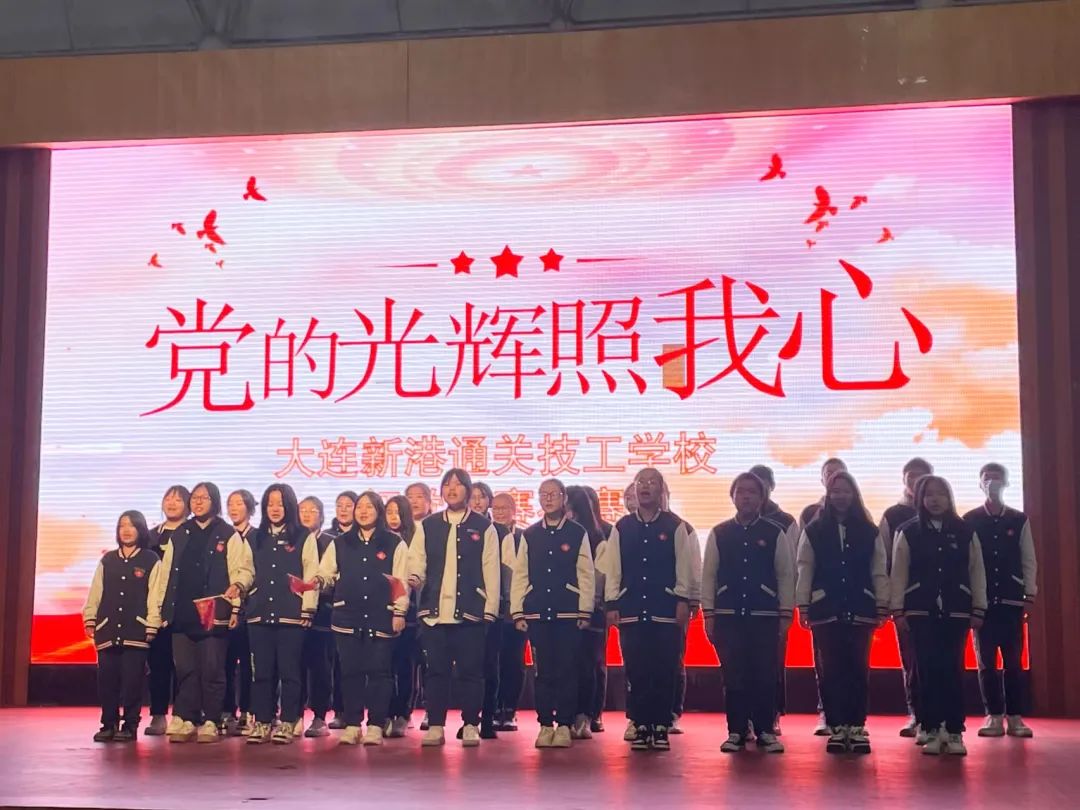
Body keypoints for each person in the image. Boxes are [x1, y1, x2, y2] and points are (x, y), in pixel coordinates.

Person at [602, 468, 700, 752]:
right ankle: (641, 724)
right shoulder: (622, 527)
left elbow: (684, 566)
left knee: (665, 669)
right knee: (636, 669)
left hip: (666, 609)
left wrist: (683, 600)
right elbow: (613, 568)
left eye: (652, 482)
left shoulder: (675, 525)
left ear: (662, 491)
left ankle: (661, 725)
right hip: (632, 609)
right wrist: (612, 603)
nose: (645, 487)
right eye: (641, 482)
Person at [890, 475, 987, 756]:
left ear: (949, 498)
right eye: (928, 494)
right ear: (920, 499)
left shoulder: (965, 531)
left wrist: (978, 607)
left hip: (957, 611)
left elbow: (976, 571)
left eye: (940, 494)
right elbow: (899, 573)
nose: (934, 500)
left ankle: (954, 731)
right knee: (926, 671)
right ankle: (931, 728)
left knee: (953, 670)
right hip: (920, 611)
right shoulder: (908, 532)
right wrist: (898, 610)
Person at [152, 482, 254, 744]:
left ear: (214, 502)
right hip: (181, 612)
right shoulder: (180, 533)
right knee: (185, 669)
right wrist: (161, 608)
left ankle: (211, 719)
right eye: (195, 498)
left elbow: (242, 570)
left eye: (204, 498)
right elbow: (166, 574)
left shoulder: (227, 533)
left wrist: (235, 603)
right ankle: (186, 717)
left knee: (212, 669)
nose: (197, 502)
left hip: (213, 611)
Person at [796, 471, 889, 754]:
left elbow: (878, 570)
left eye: (846, 491)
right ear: (828, 495)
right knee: (831, 670)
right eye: (835, 491)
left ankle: (857, 727)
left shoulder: (869, 531)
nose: (840, 496)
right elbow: (805, 568)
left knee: (858, 669)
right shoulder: (814, 530)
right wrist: (803, 605)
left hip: (861, 608)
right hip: (825, 610)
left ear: (855, 495)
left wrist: (882, 604)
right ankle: (837, 727)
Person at [407, 468, 500, 747]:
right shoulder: (429, 525)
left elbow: (491, 569)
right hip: (434, 613)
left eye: (458, 485)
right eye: (447, 484)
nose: (452, 489)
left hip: (470, 613)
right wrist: (414, 577)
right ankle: (436, 725)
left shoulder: (483, 527)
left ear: (468, 491)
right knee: (436, 672)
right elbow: (416, 559)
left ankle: (470, 724)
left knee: (471, 672)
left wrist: (490, 608)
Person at [702, 472, 793, 754]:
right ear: (732, 497)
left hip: (765, 616)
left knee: (764, 674)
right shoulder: (720, 533)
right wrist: (709, 614)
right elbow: (709, 575)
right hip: (728, 615)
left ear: (762, 497)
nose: (746, 497)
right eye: (741, 491)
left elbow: (785, 575)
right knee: (734, 675)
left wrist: (786, 613)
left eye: (752, 492)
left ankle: (765, 730)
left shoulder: (774, 533)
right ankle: (736, 731)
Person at [316, 491, 409, 746]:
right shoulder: (340, 542)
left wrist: (399, 611)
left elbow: (400, 581)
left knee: (380, 672)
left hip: (382, 615)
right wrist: (318, 581)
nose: (363, 511)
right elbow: (326, 572)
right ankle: (353, 724)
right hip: (347, 616)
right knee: (350, 672)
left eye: (369, 507)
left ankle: (376, 725)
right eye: (360, 507)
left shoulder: (394, 543)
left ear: (379, 511)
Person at [511, 479, 594, 749]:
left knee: (567, 670)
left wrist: (585, 609)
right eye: (543, 494)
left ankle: (565, 724)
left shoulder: (577, 532)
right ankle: (546, 724)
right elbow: (520, 573)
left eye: (553, 494)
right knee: (542, 671)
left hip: (569, 613)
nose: (548, 499)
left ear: (563, 498)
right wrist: (518, 611)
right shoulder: (530, 534)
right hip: (537, 613)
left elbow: (586, 573)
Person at [963, 463, 1037, 739]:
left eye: (997, 479)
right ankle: (993, 715)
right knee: (986, 663)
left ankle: (1015, 716)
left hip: (1011, 601)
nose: (992, 483)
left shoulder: (1018, 520)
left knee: (1013, 661)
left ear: (1006, 483)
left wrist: (1030, 593)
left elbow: (1028, 558)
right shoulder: (969, 520)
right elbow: (966, 561)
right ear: (980, 484)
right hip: (982, 603)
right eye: (987, 479)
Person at [245, 484, 319, 745]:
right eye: (270, 504)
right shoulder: (254, 537)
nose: (275, 509)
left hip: (292, 615)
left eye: (280, 504)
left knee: (290, 672)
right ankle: (263, 721)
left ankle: (288, 721)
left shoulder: (302, 536)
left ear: (289, 506)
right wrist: (240, 586)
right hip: (259, 614)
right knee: (261, 673)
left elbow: (311, 574)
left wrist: (308, 607)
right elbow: (246, 569)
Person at [84, 510, 163, 742]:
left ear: (141, 529)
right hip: (107, 629)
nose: (126, 530)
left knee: (132, 682)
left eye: (131, 526)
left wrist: (152, 624)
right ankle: (108, 724)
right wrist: (90, 618)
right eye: (122, 526)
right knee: (107, 681)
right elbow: (95, 592)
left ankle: (130, 725)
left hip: (136, 631)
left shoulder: (150, 560)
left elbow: (155, 595)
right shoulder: (108, 560)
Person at [878, 457, 933, 738]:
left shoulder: (943, 514)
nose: (915, 481)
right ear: (904, 480)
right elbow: (883, 559)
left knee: (936, 660)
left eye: (921, 477)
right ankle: (915, 714)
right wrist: (889, 600)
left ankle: (937, 717)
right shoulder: (892, 515)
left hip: (939, 601)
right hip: (906, 601)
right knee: (910, 660)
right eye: (911, 476)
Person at [749, 464, 800, 736]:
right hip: (743, 606)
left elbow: (791, 567)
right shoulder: (736, 524)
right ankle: (746, 717)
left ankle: (773, 714)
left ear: (770, 487)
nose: (753, 492)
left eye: (761, 485)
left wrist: (787, 606)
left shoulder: (786, 522)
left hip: (773, 606)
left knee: (773, 663)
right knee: (744, 665)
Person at [799, 457, 848, 735]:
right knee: (823, 662)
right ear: (822, 480)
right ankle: (827, 714)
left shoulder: (861, 516)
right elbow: (803, 559)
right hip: (822, 601)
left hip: (853, 602)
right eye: (829, 474)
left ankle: (852, 721)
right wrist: (804, 600)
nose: (833, 476)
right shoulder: (810, 514)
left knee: (852, 663)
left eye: (839, 473)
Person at [301, 494, 350, 736]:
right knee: (296, 667)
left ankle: (322, 715)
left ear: (321, 515)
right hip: (294, 614)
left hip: (325, 613)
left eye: (312, 510)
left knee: (324, 666)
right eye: (302, 510)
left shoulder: (332, 542)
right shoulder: (293, 541)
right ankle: (293, 715)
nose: (306, 515)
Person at [145, 485, 189, 736]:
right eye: (168, 498)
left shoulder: (191, 534)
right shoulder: (150, 537)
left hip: (182, 609)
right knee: (158, 664)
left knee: (185, 665)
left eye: (178, 499)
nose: (172, 503)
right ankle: (158, 714)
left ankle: (183, 714)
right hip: (156, 609)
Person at [566, 485, 607, 740]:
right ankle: (566, 716)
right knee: (565, 666)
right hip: (562, 610)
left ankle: (585, 715)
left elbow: (600, 576)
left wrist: (589, 604)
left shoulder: (597, 538)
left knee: (587, 665)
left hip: (590, 611)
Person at [385, 494, 421, 737]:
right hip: (381, 610)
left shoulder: (416, 539)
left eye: (397, 512)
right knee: (384, 666)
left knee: (406, 665)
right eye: (388, 512)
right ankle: (386, 713)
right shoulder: (380, 540)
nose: (393, 517)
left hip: (409, 613)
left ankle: (403, 713)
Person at [491, 492, 527, 732]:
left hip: (517, 610)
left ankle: (510, 710)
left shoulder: (525, 536)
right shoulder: (487, 535)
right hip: (493, 609)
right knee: (493, 662)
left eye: (504, 508)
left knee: (514, 661)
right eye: (496, 508)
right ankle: (494, 708)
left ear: (514, 510)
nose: (500, 512)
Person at [223, 489, 256, 736]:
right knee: (224, 662)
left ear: (250, 508)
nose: (234, 508)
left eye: (239, 504)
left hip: (251, 609)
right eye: (230, 504)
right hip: (226, 607)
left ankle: (248, 710)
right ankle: (226, 710)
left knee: (249, 664)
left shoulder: (258, 537)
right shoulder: (223, 536)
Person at [470, 481, 501, 738]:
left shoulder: (499, 531)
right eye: (473, 497)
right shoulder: (457, 528)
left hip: (492, 608)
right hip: (466, 607)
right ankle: (470, 719)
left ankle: (489, 718)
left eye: (482, 497)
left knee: (490, 666)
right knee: (469, 668)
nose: (477, 501)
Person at [582, 485, 611, 733]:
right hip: (571, 608)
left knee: (596, 661)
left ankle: (595, 713)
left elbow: (605, 573)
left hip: (597, 606)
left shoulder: (606, 532)